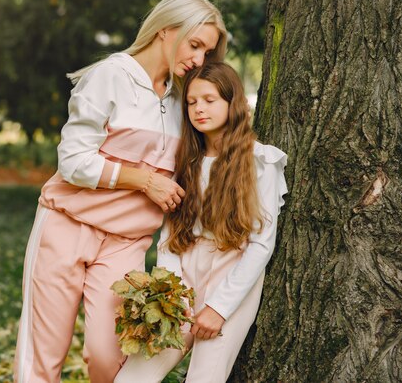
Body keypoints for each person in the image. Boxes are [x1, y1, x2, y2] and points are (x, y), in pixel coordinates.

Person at [13, 0, 227, 383]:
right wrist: (144, 181)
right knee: (42, 357)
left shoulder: (186, 98)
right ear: (165, 30)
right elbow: (73, 161)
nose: (199, 60)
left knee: (109, 358)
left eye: (206, 53)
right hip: (65, 224)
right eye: (194, 45)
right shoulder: (111, 75)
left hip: (126, 242)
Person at [114, 62, 288, 382]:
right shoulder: (185, 161)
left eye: (209, 100)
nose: (199, 109)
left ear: (231, 102)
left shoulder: (260, 161)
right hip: (184, 273)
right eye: (192, 102)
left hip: (232, 272)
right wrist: (175, 293)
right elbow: (170, 235)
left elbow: (262, 243)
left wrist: (219, 308)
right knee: (132, 378)